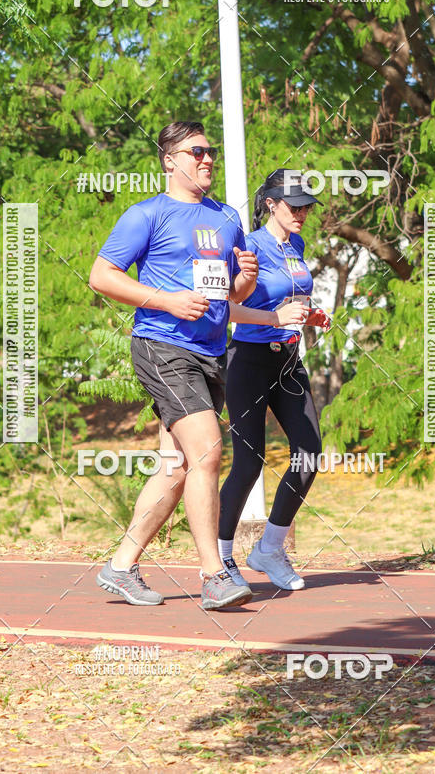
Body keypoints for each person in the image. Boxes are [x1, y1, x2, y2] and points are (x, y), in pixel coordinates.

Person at [88, 121, 259, 610]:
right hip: (162, 346)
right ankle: (214, 575)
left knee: (177, 467)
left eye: (210, 151)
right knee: (208, 451)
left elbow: (230, 295)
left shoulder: (227, 217)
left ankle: (120, 566)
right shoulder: (147, 214)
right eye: (196, 152)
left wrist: (246, 280)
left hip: (211, 352)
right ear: (169, 160)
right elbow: (102, 275)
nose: (207, 159)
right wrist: (166, 301)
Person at [218, 169, 330, 591]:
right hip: (248, 361)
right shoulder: (247, 245)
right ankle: (221, 558)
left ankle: (269, 548)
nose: (302, 214)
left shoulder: (295, 245)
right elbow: (224, 307)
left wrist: (310, 315)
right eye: (294, 206)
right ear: (271, 204)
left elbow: (289, 296)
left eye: (306, 207)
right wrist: (274, 318)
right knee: (249, 462)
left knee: (309, 453)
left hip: (288, 360)